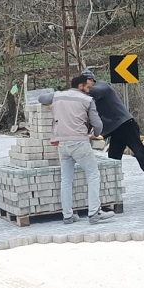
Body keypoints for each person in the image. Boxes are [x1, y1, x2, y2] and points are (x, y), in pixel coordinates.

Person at [81, 69, 144, 202]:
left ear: (92, 80)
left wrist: (74, 92)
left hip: (126, 125)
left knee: (140, 154)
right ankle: (112, 193)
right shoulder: (88, 98)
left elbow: (92, 91)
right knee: (113, 161)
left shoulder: (103, 87)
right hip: (115, 131)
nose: (83, 87)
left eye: (84, 83)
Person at [38, 75, 115, 225]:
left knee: (66, 179)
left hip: (62, 144)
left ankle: (67, 215)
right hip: (80, 143)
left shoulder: (57, 96)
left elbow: (41, 97)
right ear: (80, 86)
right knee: (93, 175)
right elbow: (97, 124)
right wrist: (96, 134)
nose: (89, 90)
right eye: (87, 87)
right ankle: (94, 213)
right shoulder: (87, 100)